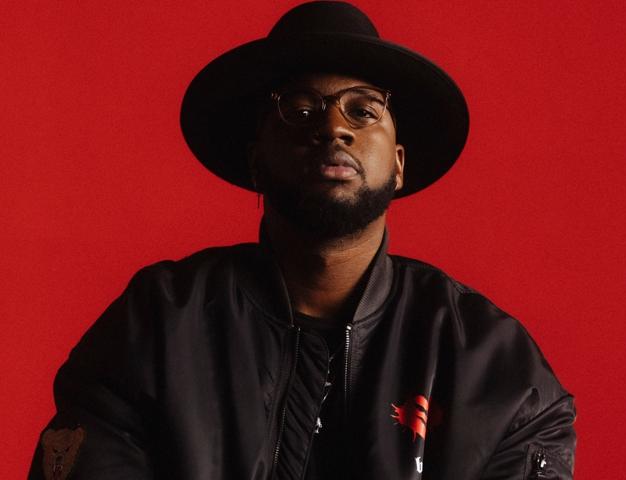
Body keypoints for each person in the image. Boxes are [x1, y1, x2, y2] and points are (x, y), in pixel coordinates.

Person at [29, 2, 576, 479]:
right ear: (256, 161)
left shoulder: (492, 363)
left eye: (364, 110)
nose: (333, 128)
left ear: (398, 165)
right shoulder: (157, 324)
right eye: (300, 109)